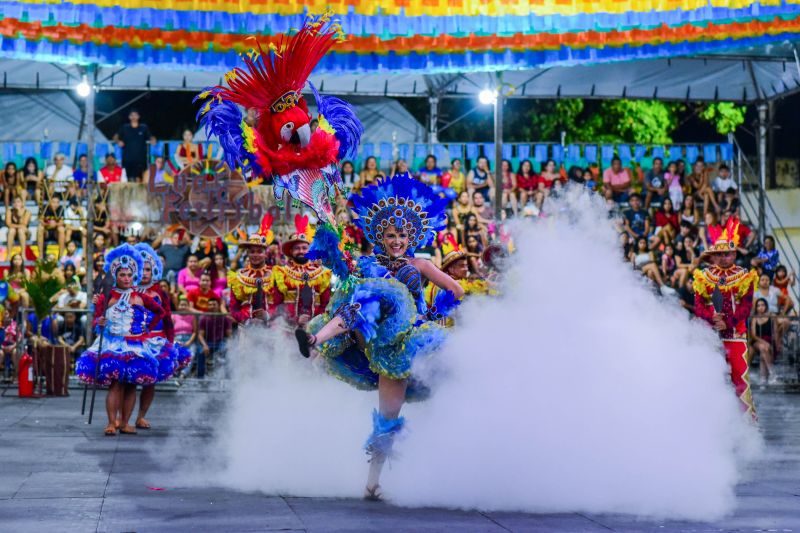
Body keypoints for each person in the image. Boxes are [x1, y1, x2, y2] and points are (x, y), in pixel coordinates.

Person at [297, 174, 464, 500]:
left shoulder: (421, 264)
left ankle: (385, 480)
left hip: (407, 342)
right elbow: (347, 280)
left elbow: (456, 290)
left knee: (403, 414)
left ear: (411, 234)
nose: (397, 240)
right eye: (390, 235)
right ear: (380, 236)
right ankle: (316, 341)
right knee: (363, 300)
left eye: (402, 234)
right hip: (374, 338)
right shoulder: (367, 263)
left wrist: (433, 313)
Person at [75, 244, 166, 436]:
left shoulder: (141, 297)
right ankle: (111, 422)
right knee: (115, 384)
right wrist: (100, 322)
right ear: (115, 276)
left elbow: (161, 312)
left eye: (129, 275)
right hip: (113, 344)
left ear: (134, 275)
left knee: (132, 384)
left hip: (136, 345)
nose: (126, 279)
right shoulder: (106, 297)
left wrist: (146, 326)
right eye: (122, 275)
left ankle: (125, 422)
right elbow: (95, 323)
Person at [693, 217, 758, 420]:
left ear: (734, 254)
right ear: (713, 256)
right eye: (719, 254)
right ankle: (713, 423)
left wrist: (727, 322)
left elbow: (746, 308)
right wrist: (713, 319)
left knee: (740, 380)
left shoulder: (745, 276)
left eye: (727, 254)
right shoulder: (703, 276)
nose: (723, 257)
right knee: (711, 380)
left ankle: (746, 425)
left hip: (735, 336)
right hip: (711, 336)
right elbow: (698, 306)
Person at [130, 243, 183, 430]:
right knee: (127, 382)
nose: (144, 273)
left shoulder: (161, 293)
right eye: (141, 269)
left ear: (153, 271)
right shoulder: (127, 291)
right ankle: (121, 419)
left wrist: (170, 342)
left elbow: (168, 319)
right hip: (133, 342)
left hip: (156, 343)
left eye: (148, 269)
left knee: (150, 382)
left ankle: (141, 416)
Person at [271, 215, 332, 328]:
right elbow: (276, 304)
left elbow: (325, 304)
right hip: (287, 329)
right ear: (291, 251)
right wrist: (294, 319)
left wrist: (314, 322)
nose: (301, 251)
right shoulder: (281, 273)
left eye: (304, 248)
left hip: (315, 331)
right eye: (297, 248)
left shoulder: (322, 274)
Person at [228, 218, 275, 325]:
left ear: (265, 254)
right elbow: (234, 308)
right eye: (252, 252)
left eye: (259, 251)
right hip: (246, 330)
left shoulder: (277, 274)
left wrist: (267, 316)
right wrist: (247, 320)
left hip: (272, 331)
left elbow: (282, 304)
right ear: (248, 254)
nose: (255, 255)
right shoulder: (238, 277)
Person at [113, 109, 156, 182]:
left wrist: (153, 140)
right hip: (127, 159)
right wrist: (118, 141)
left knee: (139, 180)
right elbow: (115, 137)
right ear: (129, 117)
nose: (134, 117)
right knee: (127, 180)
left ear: (139, 117)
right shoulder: (125, 127)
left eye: (135, 115)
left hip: (140, 159)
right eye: (132, 115)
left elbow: (151, 137)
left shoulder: (144, 127)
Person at [197, 296, 232, 377]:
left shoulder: (225, 318)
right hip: (208, 343)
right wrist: (204, 345)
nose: (212, 306)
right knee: (200, 352)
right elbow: (200, 335)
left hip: (221, 342)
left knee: (225, 350)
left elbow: (229, 335)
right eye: (210, 304)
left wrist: (229, 345)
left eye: (214, 304)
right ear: (208, 306)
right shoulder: (204, 318)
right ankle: (200, 378)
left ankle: (225, 376)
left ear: (218, 305)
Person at [750, 298, 778, 385]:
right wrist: (764, 342)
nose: (761, 307)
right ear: (756, 307)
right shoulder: (754, 318)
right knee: (763, 346)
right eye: (758, 305)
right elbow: (754, 335)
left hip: (769, 341)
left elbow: (775, 332)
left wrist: (776, 344)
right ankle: (772, 373)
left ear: (766, 306)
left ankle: (763, 378)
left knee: (763, 352)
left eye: (763, 305)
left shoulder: (771, 317)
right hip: (757, 341)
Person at [37, 194, 66, 259]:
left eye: (57, 202)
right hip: (46, 231)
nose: (55, 204)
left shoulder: (61, 209)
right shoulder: (43, 208)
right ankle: (40, 255)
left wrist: (55, 224)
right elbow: (41, 221)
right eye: (53, 202)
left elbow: (62, 222)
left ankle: (61, 256)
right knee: (40, 228)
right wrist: (48, 224)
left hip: (56, 232)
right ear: (49, 202)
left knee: (61, 229)